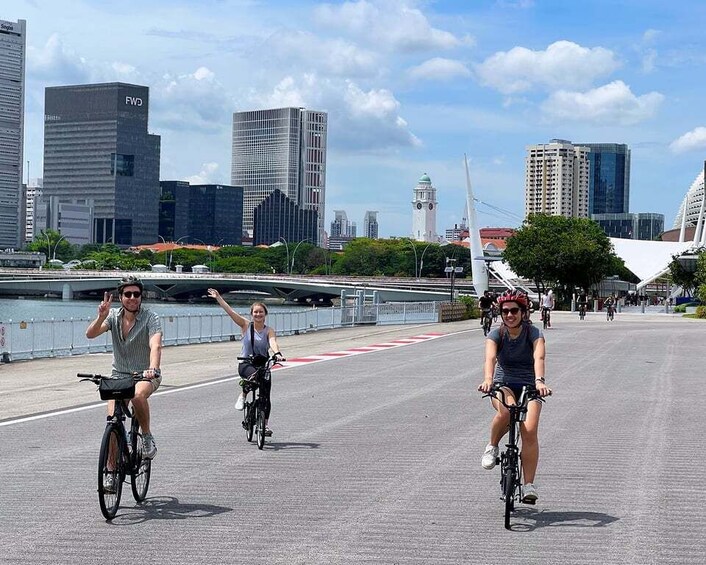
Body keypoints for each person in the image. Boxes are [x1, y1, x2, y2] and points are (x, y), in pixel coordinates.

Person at [85, 276, 163, 490]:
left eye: (136, 294)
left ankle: (146, 437)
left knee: (138, 395)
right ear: (121, 297)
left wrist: (153, 369)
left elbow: (155, 345)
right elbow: (90, 334)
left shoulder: (151, 318)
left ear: (141, 296)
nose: (132, 298)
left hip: (144, 375)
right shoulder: (112, 316)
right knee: (112, 420)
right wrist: (100, 317)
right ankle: (110, 471)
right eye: (127, 294)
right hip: (118, 375)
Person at [477, 289, 551, 503]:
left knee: (529, 430)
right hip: (503, 383)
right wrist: (488, 379)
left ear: (523, 312)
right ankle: (492, 446)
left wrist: (539, 382)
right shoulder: (496, 334)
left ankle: (529, 485)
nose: (510, 315)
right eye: (505, 311)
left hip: (530, 385)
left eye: (514, 311)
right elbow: (490, 359)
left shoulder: (534, 333)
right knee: (506, 411)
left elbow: (539, 357)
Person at [207, 288, 283, 437]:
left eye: (261, 312)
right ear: (252, 314)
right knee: (254, 376)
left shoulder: (269, 330)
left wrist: (277, 354)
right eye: (255, 312)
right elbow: (230, 312)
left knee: (266, 395)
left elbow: (273, 343)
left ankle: (265, 425)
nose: (258, 314)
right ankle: (243, 395)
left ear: (265, 314)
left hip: (262, 364)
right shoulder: (245, 326)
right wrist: (218, 298)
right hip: (246, 364)